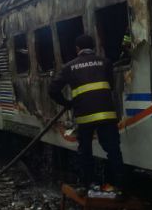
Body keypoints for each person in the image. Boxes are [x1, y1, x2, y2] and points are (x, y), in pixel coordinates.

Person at [49, 34, 124, 198]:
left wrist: (67, 103)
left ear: (77, 49)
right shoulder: (105, 62)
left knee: (85, 152)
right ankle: (119, 186)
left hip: (84, 117)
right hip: (107, 115)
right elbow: (110, 86)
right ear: (93, 47)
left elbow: (52, 90)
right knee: (113, 150)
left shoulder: (69, 67)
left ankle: (87, 185)